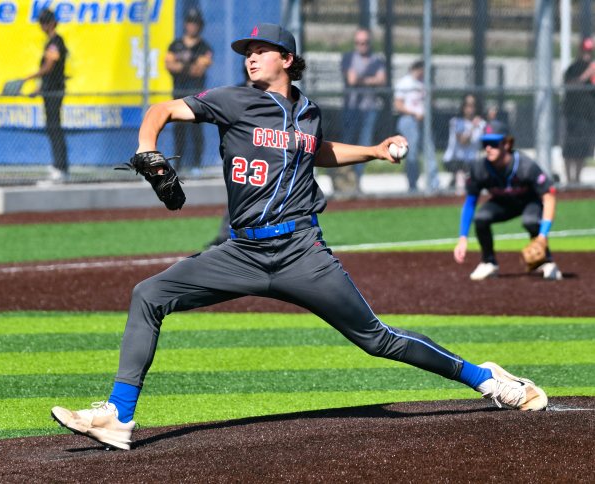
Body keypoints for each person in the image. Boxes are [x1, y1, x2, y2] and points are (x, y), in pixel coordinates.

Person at [51, 23, 548, 451]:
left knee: (378, 339)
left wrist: (374, 150)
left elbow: (318, 150)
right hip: (242, 251)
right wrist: (146, 148)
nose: (250, 59)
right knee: (149, 295)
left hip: (300, 253)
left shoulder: (307, 111)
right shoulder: (231, 100)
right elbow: (160, 110)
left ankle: (487, 379)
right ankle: (118, 417)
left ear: (286, 59)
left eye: (260, 51)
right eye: (246, 53)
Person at [453, 122, 562, 281]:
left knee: (531, 221)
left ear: (507, 144)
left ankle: (547, 262)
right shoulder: (480, 168)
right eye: (485, 143)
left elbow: (549, 196)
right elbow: (470, 202)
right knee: (481, 218)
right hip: (503, 204)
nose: (488, 148)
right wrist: (462, 238)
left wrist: (543, 235)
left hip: (529, 202)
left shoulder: (525, 166)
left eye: (493, 143)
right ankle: (488, 262)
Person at [330, 27, 386, 199]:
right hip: (352, 109)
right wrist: (370, 80)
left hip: (369, 109)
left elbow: (382, 80)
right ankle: (344, 182)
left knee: (365, 145)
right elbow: (351, 80)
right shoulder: (349, 58)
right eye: (359, 42)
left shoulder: (377, 60)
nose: (362, 45)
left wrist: (363, 80)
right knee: (347, 144)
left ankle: (357, 182)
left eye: (365, 42)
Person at [165, 7, 213, 174]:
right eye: (190, 23)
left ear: (200, 25)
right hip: (178, 94)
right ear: (185, 24)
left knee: (196, 130)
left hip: (197, 95)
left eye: (195, 23)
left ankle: (197, 165)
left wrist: (181, 66)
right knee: (179, 130)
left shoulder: (203, 46)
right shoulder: (175, 45)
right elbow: (169, 63)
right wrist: (190, 65)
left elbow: (200, 69)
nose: (192, 26)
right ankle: (177, 165)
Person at [23, 8, 69, 184]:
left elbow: (49, 67)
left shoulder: (56, 41)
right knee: (51, 127)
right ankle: (58, 165)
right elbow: (49, 73)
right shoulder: (50, 42)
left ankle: (61, 167)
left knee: (55, 127)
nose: (41, 25)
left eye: (43, 22)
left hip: (55, 91)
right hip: (49, 90)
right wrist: (39, 88)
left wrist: (30, 77)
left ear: (50, 23)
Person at [394, 60, 439, 193]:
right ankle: (412, 185)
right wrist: (414, 112)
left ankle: (434, 183)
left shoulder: (424, 83)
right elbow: (398, 104)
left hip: (423, 122)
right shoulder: (405, 82)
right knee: (411, 153)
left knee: (429, 151)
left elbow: (431, 102)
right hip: (409, 121)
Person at [562, 36, 595, 186]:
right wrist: (586, 75)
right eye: (585, 51)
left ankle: (577, 180)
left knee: (582, 149)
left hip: (588, 116)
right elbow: (569, 84)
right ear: (580, 51)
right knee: (570, 149)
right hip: (573, 115)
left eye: (590, 51)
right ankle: (569, 180)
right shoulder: (573, 68)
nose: (587, 54)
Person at [442, 94, 486, 195]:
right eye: (467, 105)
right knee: (461, 174)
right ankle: (458, 189)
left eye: (472, 105)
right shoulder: (457, 122)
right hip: (455, 160)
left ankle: (455, 184)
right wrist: (473, 127)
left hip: (472, 161)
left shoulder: (482, 123)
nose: (470, 109)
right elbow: (463, 141)